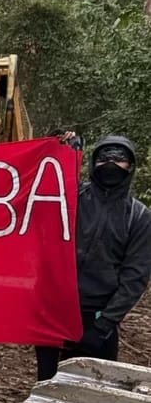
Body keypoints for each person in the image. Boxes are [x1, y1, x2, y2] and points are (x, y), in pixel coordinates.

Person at [35, 133, 151, 380]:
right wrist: (64, 151)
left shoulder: (139, 217)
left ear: (130, 166)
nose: (110, 163)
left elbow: (135, 277)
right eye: (104, 157)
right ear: (93, 162)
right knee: (46, 382)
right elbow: (37, 190)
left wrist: (104, 325)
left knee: (92, 389)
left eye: (119, 158)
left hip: (98, 317)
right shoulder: (69, 198)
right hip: (55, 310)